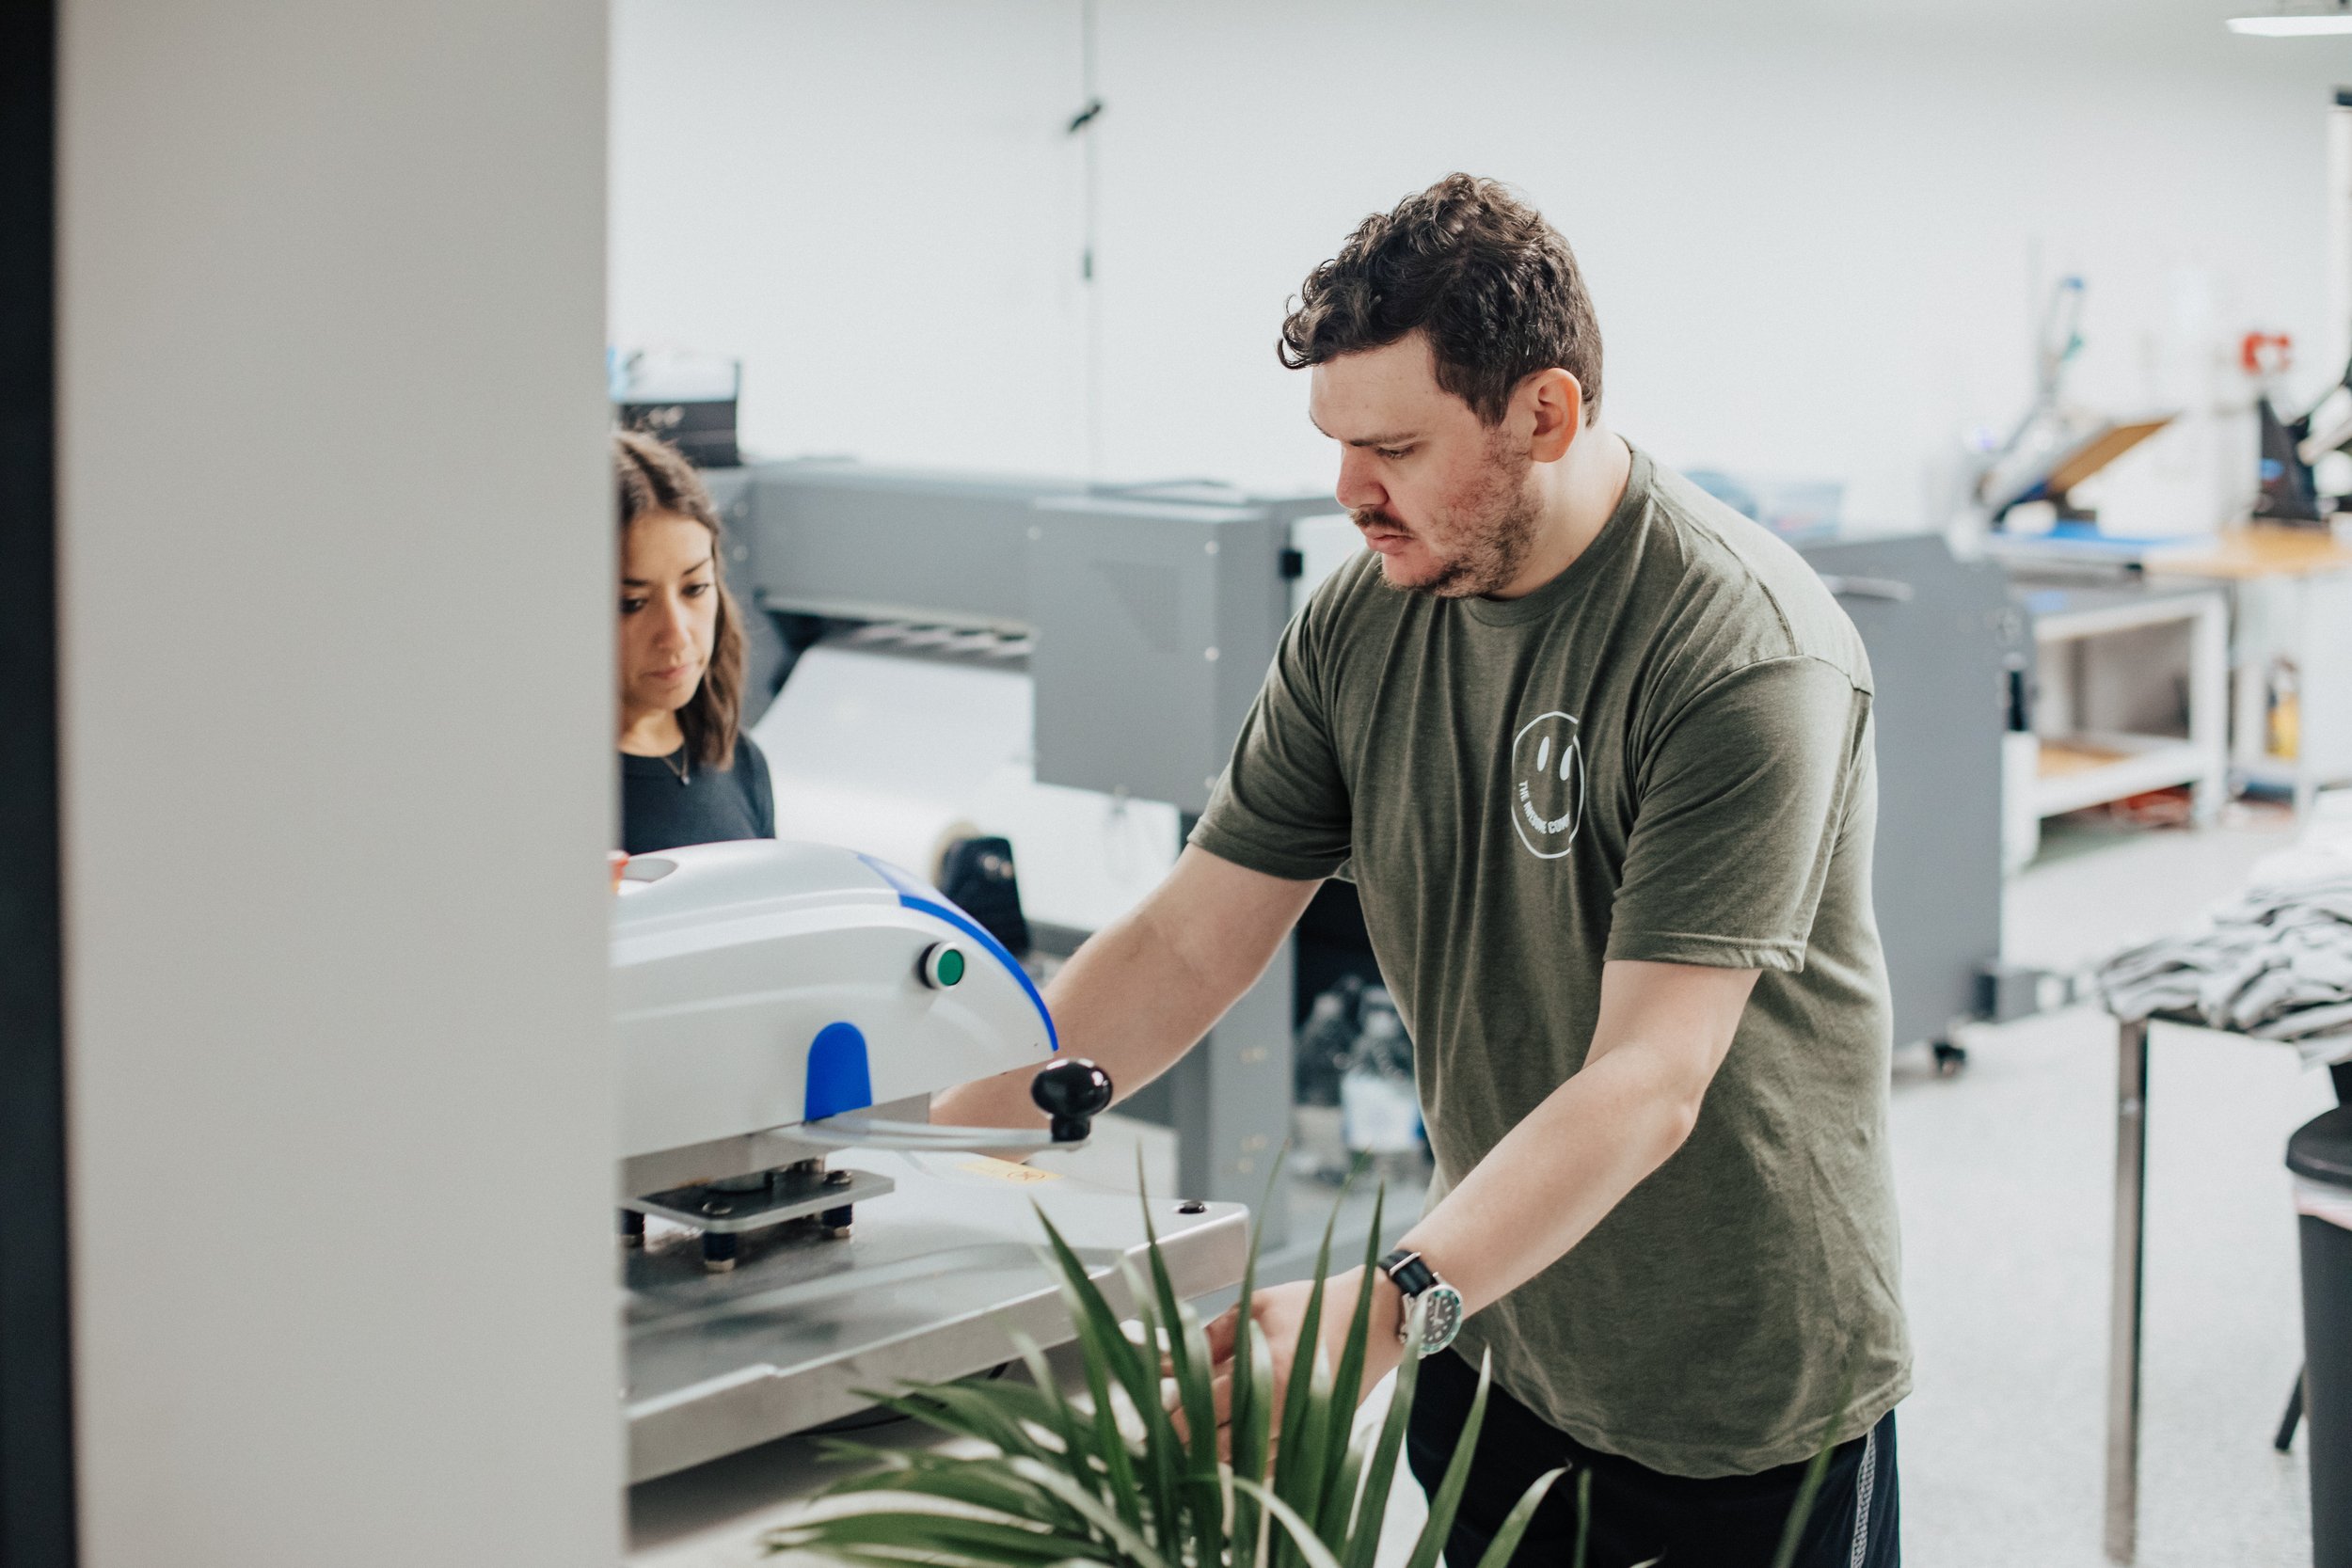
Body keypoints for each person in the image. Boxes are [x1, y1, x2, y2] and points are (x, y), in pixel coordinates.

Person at [931, 174, 1905, 1566]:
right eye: (1335, 444)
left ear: (1545, 414)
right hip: (1491, 1312)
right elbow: (1194, 937)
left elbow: (1650, 1081)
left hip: (1736, 1384)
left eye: (1391, 445)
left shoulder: (1740, 653)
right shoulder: (1365, 617)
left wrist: (1374, 1311)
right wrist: (933, 1153)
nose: (1348, 495)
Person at [613, 430, 774, 855]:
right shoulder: (541, 794)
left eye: (696, 588)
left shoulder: (741, 762)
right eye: (632, 603)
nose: (676, 633)